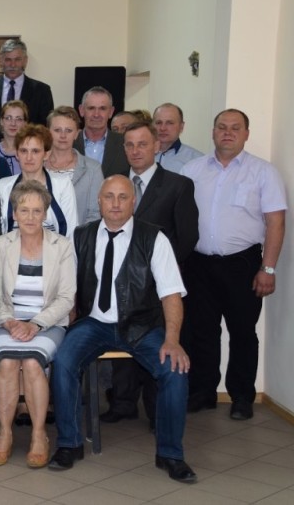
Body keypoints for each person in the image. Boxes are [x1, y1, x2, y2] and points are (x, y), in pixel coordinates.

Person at [49, 175, 196, 483]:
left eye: (123, 197)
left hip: (141, 325)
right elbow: (68, 289)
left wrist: (172, 340)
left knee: (174, 369)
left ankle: (170, 454)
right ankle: (69, 444)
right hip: (93, 324)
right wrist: (64, 325)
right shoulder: (81, 236)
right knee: (63, 362)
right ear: (99, 201)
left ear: (134, 202)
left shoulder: (154, 238)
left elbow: (171, 294)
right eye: (109, 197)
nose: (115, 204)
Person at [181, 109, 287, 420]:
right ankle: (203, 392)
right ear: (213, 132)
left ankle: (241, 396)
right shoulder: (192, 170)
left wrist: (268, 268)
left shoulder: (263, 172)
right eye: (222, 127)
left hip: (243, 264)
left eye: (235, 128)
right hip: (199, 264)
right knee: (202, 331)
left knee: (243, 332)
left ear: (246, 134)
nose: (228, 132)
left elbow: (276, 223)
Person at [101, 120, 198, 429]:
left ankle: (157, 413)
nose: (135, 150)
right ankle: (123, 403)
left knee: (157, 348)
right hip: (120, 285)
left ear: (156, 146)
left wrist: (160, 272)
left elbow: (187, 236)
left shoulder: (178, 185)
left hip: (158, 289)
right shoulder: (116, 183)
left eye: (142, 144)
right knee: (123, 343)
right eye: (129, 145)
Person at [0, 180, 74, 468]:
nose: (30, 217)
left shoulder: (61, 246)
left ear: (45, 214)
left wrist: (35, 324)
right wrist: (9, 322)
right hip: (7, 321)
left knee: (34, 363)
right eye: (24, 210)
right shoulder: (1, 245)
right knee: (7, 363)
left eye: (37, 211)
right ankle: (5, 433)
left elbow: (66, 298)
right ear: (14, 213)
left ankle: (39, 435)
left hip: (48, 323)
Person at [0, 124, 78, 237]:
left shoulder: (63, 184)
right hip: (12, 247)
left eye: (35, 151)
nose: (29, 157)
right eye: (24, 151)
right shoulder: (3, 186)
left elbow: (71, 231)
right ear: (17, 154)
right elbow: (0, 231)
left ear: (46, 154)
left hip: (56, 247)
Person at [45, 106, 104, 224]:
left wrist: (78, 235)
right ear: (48, 132)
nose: (63, 135)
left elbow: (95, 213)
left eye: (68, 130)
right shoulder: (37, 164)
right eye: (57, 130)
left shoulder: (93, 169)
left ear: (77, 134)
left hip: (78, 234)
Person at [0, 39, 54, 136]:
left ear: (25, 61)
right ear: (0, 61)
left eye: (17, 59)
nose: (13, 65)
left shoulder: (42, 90)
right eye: (8, 60)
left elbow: (45, 127)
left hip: (29, 143)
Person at [73, 86, 129, 177]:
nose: (96, 114)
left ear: (111, 112)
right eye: (91, 108)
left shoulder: (125, 144)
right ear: (81, 110)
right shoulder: (70, 144)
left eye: (102, 108)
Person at [153, 103, 203, 173]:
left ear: (181, 126)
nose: (162, 128)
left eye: (170, 123)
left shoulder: (197, 161)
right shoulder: (141, 156)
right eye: (158, 123)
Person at [0, 100, 29, 177]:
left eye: (18, 119)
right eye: (8, 118)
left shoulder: (30, 152)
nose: (13, 123)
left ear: (25, 123)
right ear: (1, 121)